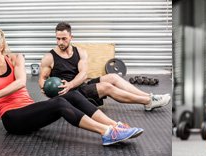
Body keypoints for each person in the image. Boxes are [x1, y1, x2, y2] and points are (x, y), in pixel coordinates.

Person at [0, 27, 141, 144]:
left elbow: (21, 82)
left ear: (1, 47)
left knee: (73, 95)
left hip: (30, 111)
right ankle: (106, 133)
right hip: (12, 119)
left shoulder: (16, 59)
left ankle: (114, 125)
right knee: (59, 103)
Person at [39, 22, 170, 114]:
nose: (60, 42)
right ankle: (147, 101)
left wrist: (71, 84)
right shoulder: (49, 57)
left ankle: (150, 97)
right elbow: (42, 78)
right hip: (68, 94)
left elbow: (83, 74)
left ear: (71, 37)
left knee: (113, 77)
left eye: (64, 39)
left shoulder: (80, 52)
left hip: (78, 85)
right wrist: (44, 87)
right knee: (107, 87)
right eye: (58, 39)